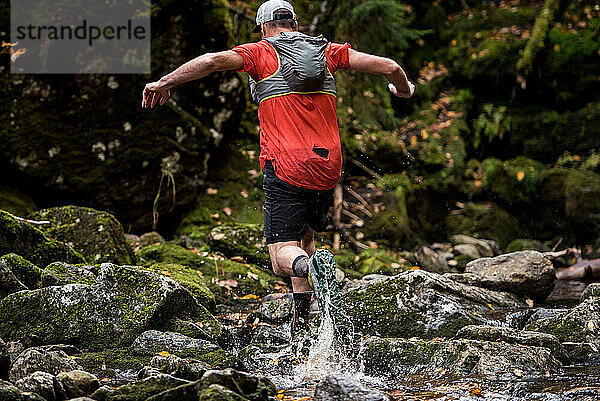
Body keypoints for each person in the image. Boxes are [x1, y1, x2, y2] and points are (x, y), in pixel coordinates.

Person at [142, 0, 415, 331]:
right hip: (328, 166)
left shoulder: (260, 53)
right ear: (296, 25)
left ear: (263, 27)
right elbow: (388, 66)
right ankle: (302, 323)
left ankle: (313, 271)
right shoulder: (327, 52)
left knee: (281, 254)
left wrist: (166, 82)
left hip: (286, 165)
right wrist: (402, 89)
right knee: (305, 237)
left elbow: (213, 61)